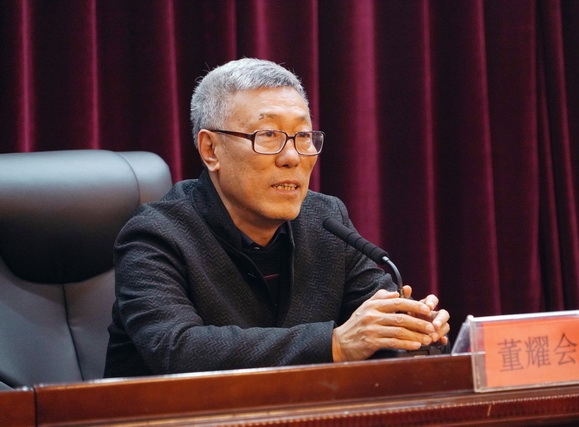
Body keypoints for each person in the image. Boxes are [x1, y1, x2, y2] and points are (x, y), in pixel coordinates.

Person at [104, 58, 450, 377]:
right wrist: (335, 344)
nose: (291, 157)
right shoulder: (154, 236)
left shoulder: (327, 221)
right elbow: (179, 350)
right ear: (211, 150)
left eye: (303, 136)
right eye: (268, 135)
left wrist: (410, 329)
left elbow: (372, 328)